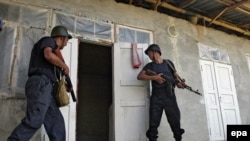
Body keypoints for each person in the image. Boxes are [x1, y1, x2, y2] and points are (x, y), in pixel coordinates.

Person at [7, 25, 72, 141]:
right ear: (61, 38)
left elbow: (53, 74)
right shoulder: (48, 41)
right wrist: (64, 65)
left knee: (57, 126)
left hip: (48, 89)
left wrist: (65, 86)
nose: (66, 44)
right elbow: (48, 55)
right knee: (34, 120)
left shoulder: (56, 55)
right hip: (40, 84)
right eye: (66, 40)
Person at [137, 44, 185, 141]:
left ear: (155, 52)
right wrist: (155, 77)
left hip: (170, 97)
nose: (148, 56)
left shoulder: (168, 63)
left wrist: (180, 83)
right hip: (156, 98)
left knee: (175, 122)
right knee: (153, 124)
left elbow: (175, 76)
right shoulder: (149, 66)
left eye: (149, 53)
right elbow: (140, 76)